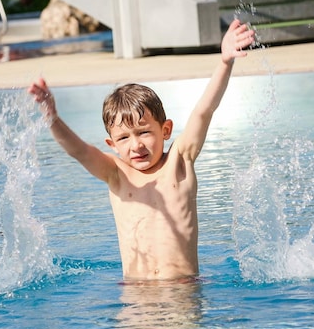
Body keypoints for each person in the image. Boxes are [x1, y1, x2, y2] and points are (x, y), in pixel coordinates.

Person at [28, 19, 255, 282]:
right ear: (111, 145)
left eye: (144, 132)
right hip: (135, 295)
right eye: (124, 138)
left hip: (183, 291)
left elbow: (204, 111)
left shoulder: (180, 161)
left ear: (166, 131)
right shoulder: (116, 174)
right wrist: (52, 118)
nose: (136, 145)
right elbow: (79, 151)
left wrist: (225, 62)